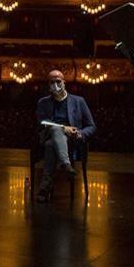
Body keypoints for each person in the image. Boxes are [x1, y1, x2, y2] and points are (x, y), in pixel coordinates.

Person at [34, 69, 96, 202]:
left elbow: (91, 126)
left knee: (51, 145)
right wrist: (63, 128)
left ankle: (44, 189)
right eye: (52, 82)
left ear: (64, 82)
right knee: (56, 131)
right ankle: (66, 165)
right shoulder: (43, 102)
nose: (55, 84)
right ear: (48, 85)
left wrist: (79, 133)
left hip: (72, 141)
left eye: (58, 81)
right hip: (50, 135)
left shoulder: (79, 101)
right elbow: (41, 123)